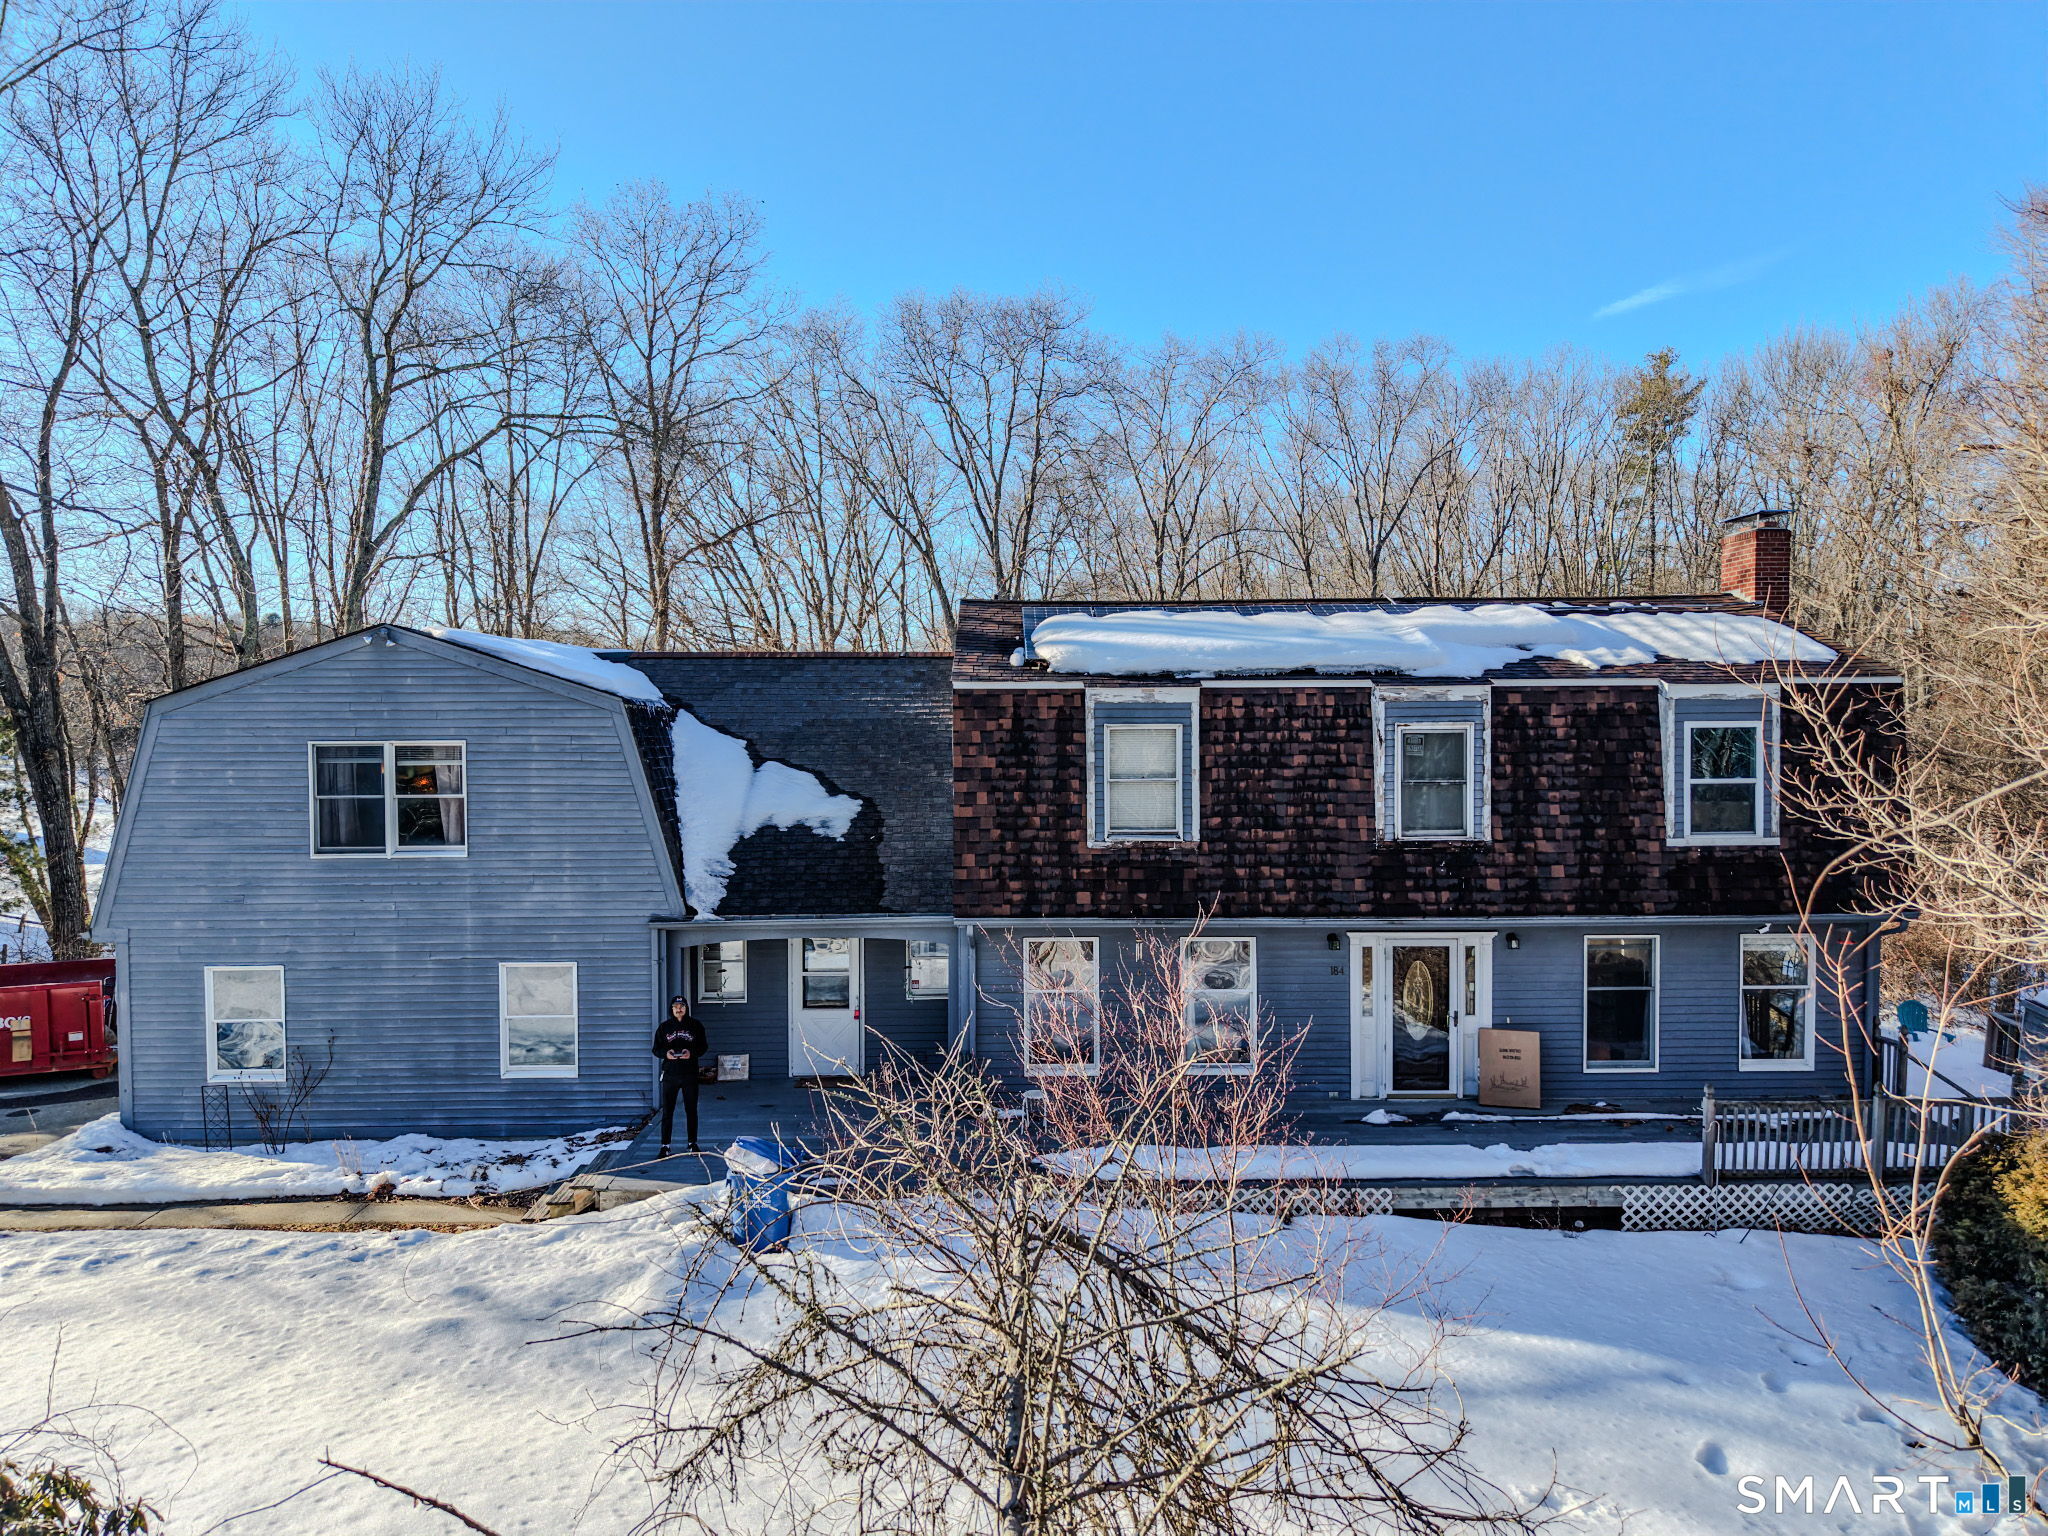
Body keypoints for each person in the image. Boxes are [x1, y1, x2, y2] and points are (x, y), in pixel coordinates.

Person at [653, 996, 711, 1155]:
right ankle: (665, 1145)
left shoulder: (695, 1025)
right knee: (668, 1112)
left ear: (686, 1008)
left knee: (691, 1110)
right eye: (676, 1006)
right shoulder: (664, 1027)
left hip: (689, 1074)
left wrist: (691, 1053)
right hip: (670, 1074)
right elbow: (655, 1049)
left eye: (682, 1006)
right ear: (671, 1009)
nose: (679, 1009)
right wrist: (666, 1053)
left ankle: (692, 1143)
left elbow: (703, 1046)